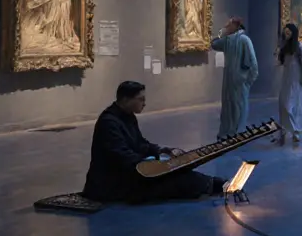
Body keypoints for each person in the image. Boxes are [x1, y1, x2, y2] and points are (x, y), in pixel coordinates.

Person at [82, 81, 225, 203]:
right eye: (140, 99)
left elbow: (139, 143)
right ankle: (214, 185)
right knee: (173, 182)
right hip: (113, 183)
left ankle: (214, 184)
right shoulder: (109, 122)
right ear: (125, 100)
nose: (144, 103)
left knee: (178, 174)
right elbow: (122, 156)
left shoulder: (127, 116)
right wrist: (157, 166)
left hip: (130, 173)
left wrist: (161, 150)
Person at [210, 17, 258, 140]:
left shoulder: (244, 40)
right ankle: (227, 132)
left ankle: (238, 132)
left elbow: (253, 64)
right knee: (228, 107)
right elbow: (214, 44)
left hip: (240, 81)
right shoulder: (227, 41)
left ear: (236, 26)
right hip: (229, 81)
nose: (227, 27)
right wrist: (222, 32)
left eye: (229, 25)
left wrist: (248, 81)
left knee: (239, 107)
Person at [275, 22, 302, 146]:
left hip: (297, 80)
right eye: (285, 33)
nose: (286, 35)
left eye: (288, 33)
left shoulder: (299, 48)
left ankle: (295, 132)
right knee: (283, 104)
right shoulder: (284, 48)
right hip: (286, 80)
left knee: (293, 105)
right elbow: (280, 62)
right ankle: (283, 131)